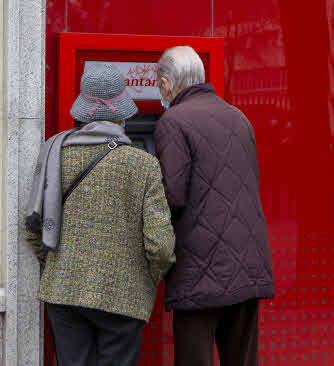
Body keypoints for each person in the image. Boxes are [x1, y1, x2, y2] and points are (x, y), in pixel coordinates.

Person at [25, 63, 176, 366]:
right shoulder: (142, 164)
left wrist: (59, 265)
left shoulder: (53, 152)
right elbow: (160, 245)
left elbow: (33, 229)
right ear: (121, 113)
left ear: (83, 110)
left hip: (63, 292)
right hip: (122, 296)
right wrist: (145, 278)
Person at [154, 46, 275, 366]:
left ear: (166, 85)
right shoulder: (239, 118)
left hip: (200, 272)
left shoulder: (173, 121)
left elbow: (173, 195)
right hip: (246, 267)